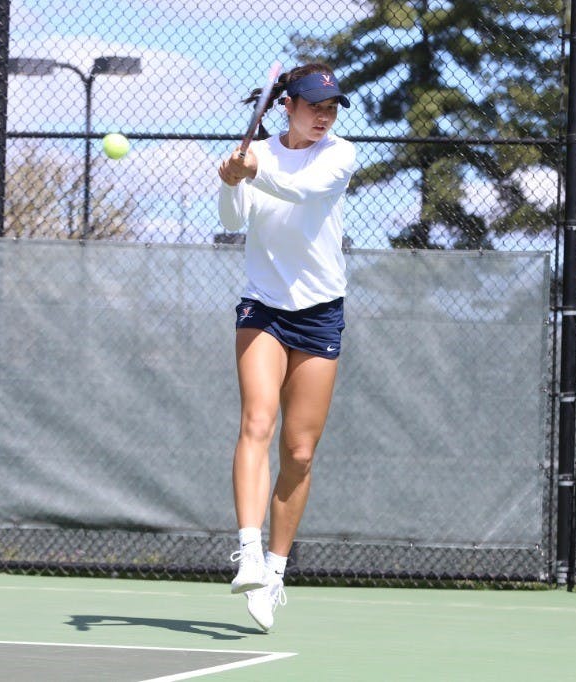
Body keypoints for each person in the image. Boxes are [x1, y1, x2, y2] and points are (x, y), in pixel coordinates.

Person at [217, 63, 356, 632]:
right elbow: (232, 221)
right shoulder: (259, 156)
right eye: (313, 105)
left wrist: (253, 172)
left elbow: (304, 192)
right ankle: (248, 552)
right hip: (264, 308)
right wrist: (231, 181)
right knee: (257, 421)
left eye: (331, 107)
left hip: (321, 311)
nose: (323, 116)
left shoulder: (339, 155)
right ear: (287, 107)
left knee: (299, 452)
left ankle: (275, 571)